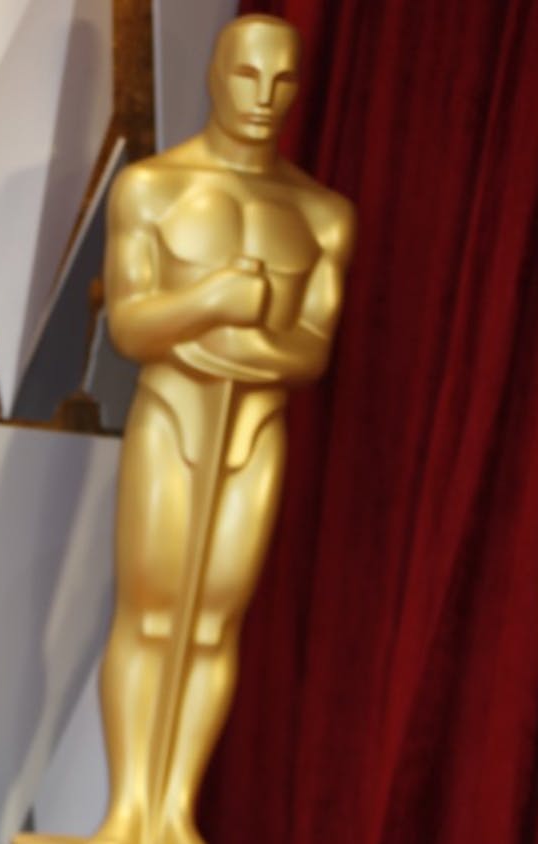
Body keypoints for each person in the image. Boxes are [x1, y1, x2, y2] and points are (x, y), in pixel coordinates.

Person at [89, 14, 354, 844]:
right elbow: (132, 325)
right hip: (174, 417)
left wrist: (247, 333)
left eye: (282, 81)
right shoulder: (154, 188)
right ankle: (128, 806)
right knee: (153, 611)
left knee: (213, 622)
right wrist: (215, 301)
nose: (263, 98)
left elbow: (311, 350)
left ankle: (175, 812)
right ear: (215, 73)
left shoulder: (322, 215)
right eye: (247, 75)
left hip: (254, 432)